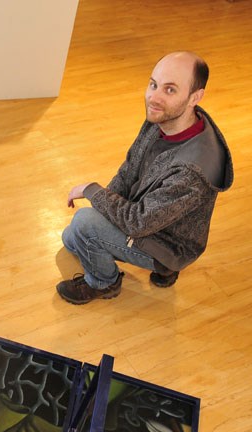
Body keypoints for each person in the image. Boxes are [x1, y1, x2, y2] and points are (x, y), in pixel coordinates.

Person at [56, 51, 233, 304]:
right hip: (150, 217)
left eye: (170, 89)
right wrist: (104, 210)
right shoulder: (164, 117)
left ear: (196, 97)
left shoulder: (192, 171)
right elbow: (130, 169)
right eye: (153, 84)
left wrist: (93, 193)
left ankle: (104, 283)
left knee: (84, 224)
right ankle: (101, 241)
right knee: (72, 237)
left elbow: (138, 223)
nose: (154, 97)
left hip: (169, 243)